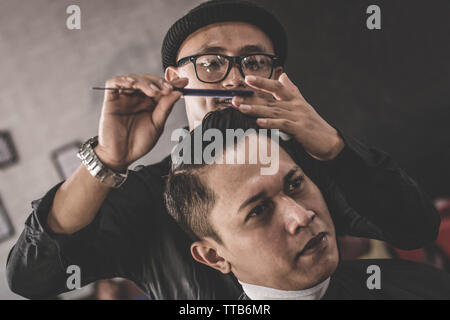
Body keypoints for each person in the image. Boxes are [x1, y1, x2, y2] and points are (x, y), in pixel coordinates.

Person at [6, 0, 439, 299]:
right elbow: (31, 276)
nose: (235, 80)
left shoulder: (305, 168)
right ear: (174, 78)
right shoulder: (142, 198)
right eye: (212, 63)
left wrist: (334, 147)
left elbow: (414, 227)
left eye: (254, 62)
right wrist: (105, 159)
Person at [164, 108, 450, 300]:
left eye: (295, 184)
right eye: (259, 210)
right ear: (214, 256)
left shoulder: (420, 285)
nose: (301, 216)